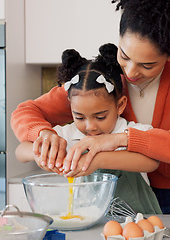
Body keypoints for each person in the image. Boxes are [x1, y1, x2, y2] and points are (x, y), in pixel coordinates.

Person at [11, 0, 170, 215]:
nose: (130, 72)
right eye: (124, 55)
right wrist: (44, 134)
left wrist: (123, 139)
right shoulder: (106, 75)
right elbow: (26, 112)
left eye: (147, 65)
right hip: (119, 196)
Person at [15, 43, 162, 214]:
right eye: (79, 117)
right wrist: (42, 152)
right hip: (87, 222)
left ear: (120, 106)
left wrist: (97, 160)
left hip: (139, 228)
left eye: (100, 117)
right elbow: (20, 152)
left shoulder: (132, 132)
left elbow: (152, 161)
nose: (90, 126)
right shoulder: (69, 134)